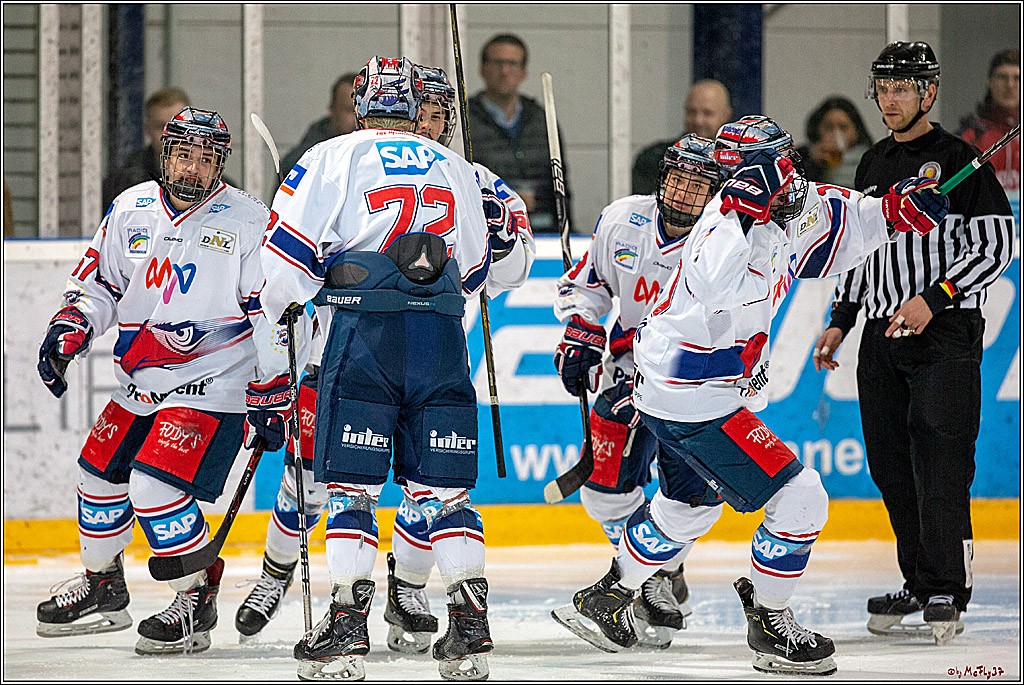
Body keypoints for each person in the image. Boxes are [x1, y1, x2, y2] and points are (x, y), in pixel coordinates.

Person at [554, 115, 948, 676]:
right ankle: (771, 619)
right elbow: (713, 282)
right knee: (802, 496)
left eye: (777, 167)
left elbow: (847, 217)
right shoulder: (720, 225)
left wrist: (893, 212)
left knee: (687, 506)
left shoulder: (797, 204)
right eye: (754, 173)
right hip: (692, 393)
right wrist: (742, 209)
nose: (781, 182)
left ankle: (609, 596)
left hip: (690, 390)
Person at [232, 65, 536, 659]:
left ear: (361, 103)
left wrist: (291, 297)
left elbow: (284, 267)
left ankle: (347, 626)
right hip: (441, 343)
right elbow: (480, 271)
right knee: (445, 497)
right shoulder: (457, 169)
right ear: (416, 107)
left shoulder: (332, 154)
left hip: (364, 338)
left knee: (352, 493)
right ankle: (470, 626)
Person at [34, 107, 307, 656]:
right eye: (184, 154)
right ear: (166, 155)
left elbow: (271, 313)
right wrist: (73, 324)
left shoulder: (250, 221)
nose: (193, 168)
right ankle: (104, 586)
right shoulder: (131, 208)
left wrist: (275, 389)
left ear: (220, 164)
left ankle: (195, 597)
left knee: (153, 487)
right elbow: (100, 283)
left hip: (216, 383)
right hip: (139, 380)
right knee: (96, 479)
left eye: (207, 158)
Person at [813, 41, 1015, 647]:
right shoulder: (872, 163)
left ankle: (948, 584)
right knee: (891, 464)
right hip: (882, 332)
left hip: (944, 334)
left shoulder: (963, 161)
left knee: (941, 458)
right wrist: (841, 317)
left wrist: (937, 296)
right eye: (885, 86)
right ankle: (919, 580)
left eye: (905, 86)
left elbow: (997, 245)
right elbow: (857, 246)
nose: (892, 97)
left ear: (928, 92)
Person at [550, 134, 726, 649]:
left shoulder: (725, 239)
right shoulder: (623, 218)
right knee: (603, 490)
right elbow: (588, 285)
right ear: (662, 178)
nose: (687, 193)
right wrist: (580, 328)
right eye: (680, 179)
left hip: (697, 383)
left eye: (700, 185)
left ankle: (659, 568)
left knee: (692, 500)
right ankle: (649, 577)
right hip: (626, 375)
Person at [467, 33, 571, 234]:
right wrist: (507, 197)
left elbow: (561, 183)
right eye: (497, 63)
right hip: (488, 232)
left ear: (523, 72)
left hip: (543, 231)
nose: (505, 71)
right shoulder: (465, 119)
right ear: (482, 69)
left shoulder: (543, 118)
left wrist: (568, 231)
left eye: (512, 64)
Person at [631, 79, 733, 195]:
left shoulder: (737, 166)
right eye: (692, 111)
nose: (698, 120)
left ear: (726, 115)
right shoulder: (654, 159)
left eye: (707, 113)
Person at [102, 88, 190, 210]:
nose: (170, 136)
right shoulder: (120, 184)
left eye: (178, 127)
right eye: (161, 127)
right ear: (147, 129)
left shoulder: (213, 184)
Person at [957, 49, 1020, 198]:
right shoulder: (970, 135)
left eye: (1017, 78)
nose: (1010, 85)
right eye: (1002, 77)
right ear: (990, 82)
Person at [281, 72, 360, 176]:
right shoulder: (307, 157)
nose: (359, 118)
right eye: (350, 110)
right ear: (332, 109)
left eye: (363, 110)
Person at [796, 96, 873, 187]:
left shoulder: (872, 160)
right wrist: (812, 163)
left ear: (856, 130)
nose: (836, 134)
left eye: (843, 127)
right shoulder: (802, 157)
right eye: (829, 127)